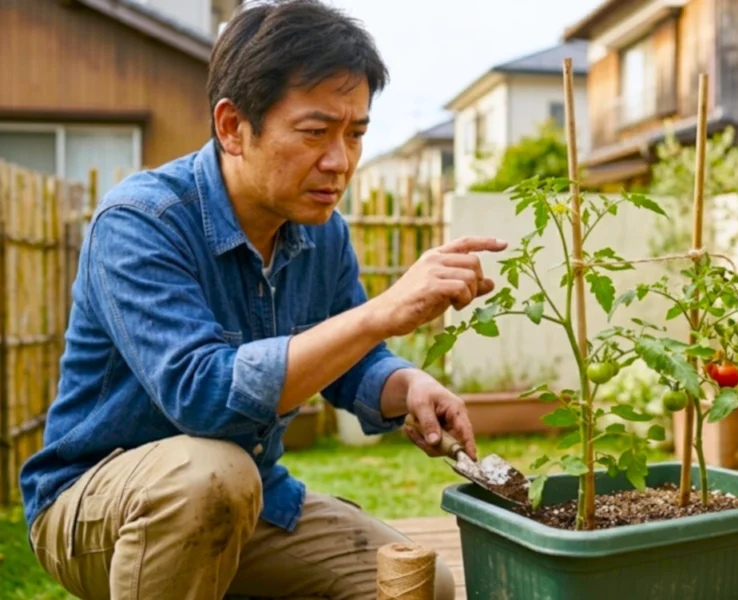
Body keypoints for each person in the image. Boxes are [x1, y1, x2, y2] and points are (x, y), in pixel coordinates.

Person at [18, 1, 505, 597]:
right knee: (212, 476)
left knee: (421, 584)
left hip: (249, 495)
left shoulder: (323, 232)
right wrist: (380, 313)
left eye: (355, 134)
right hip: (93, 504)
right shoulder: (141, 221)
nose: (340, 161)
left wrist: (408, 386)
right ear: (232, 127)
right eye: (315, 132)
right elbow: (202, 394)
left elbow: (349, 362)